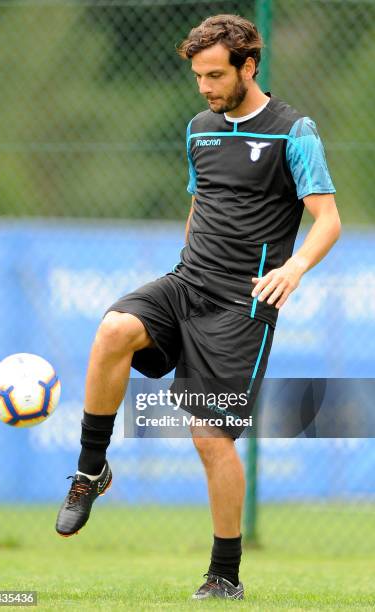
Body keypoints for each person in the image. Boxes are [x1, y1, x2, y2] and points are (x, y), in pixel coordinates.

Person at [55, 14, 341, 600]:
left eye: (216, 75)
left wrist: (293, 268)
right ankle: (90, 470)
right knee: (113, 328)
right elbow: (201, 202)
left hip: (245, 301)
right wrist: (186, 261)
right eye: (199, 76)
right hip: (188, 281)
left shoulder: (294, 131)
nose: (206, 87)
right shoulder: (198, 129)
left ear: (248, 65)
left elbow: (328, 220)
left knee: (210, 438)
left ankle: (224, 576)